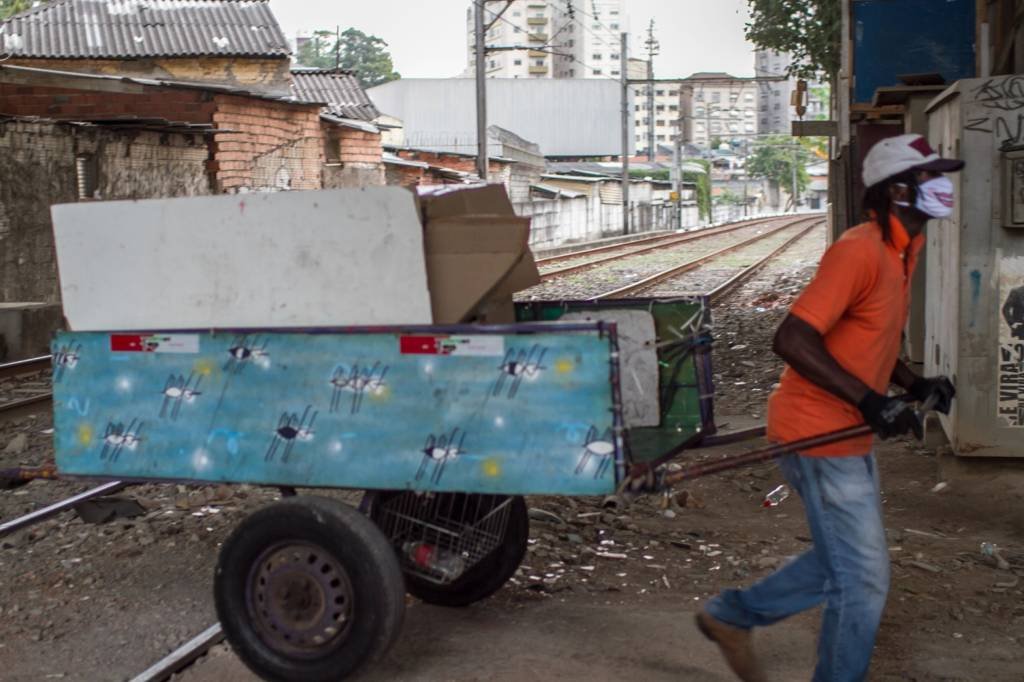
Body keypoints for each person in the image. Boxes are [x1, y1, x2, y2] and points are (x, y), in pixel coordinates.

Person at [696, 134, 964, 682]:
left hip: (846, 433)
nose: (944, 186)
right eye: (931, 177)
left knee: (843, 560)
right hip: (816, 431)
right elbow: (792, 338)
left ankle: (730, 616)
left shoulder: (903, 250)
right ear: (898, 192)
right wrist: (869, 401)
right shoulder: (860, 250)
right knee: (863, 577)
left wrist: (912, 383)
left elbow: (869, 335)